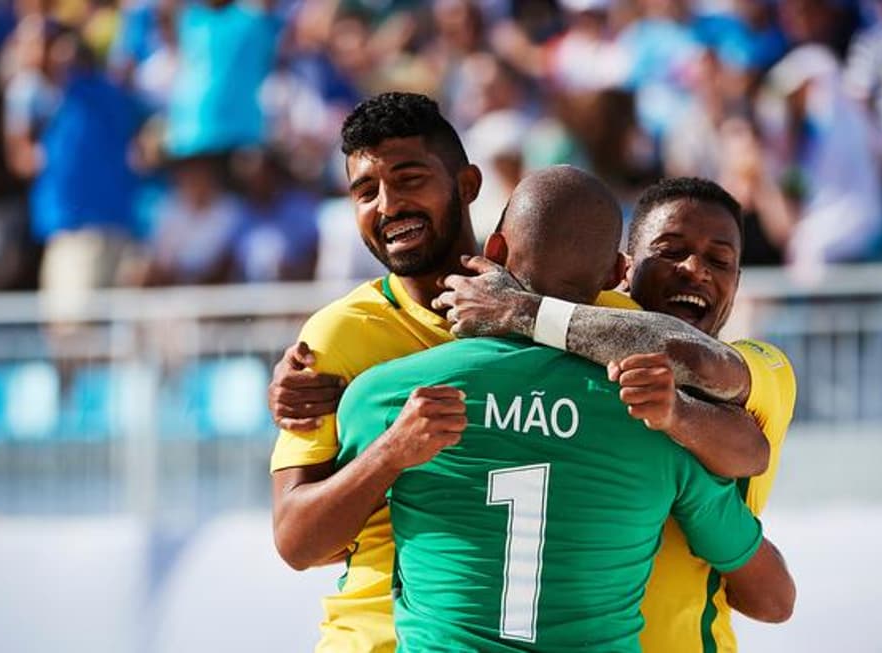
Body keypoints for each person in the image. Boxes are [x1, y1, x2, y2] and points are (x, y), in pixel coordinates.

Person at [334, 166, 794, 651]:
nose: (695, 269)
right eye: (671, 251)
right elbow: (774, 598)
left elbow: (708, 379)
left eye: (719, 261)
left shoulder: (756, 368)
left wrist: (520, 310)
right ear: (622, 271)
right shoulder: (647, 421)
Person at [269, 91, 633, 652]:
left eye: (409, 178)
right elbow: (297, 541)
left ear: (466, 185)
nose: (387, 206)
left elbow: (689, 357)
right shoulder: (336, 337)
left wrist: (526, 315)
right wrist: (390, 453)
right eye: (365, 191)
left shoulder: (573, 309)